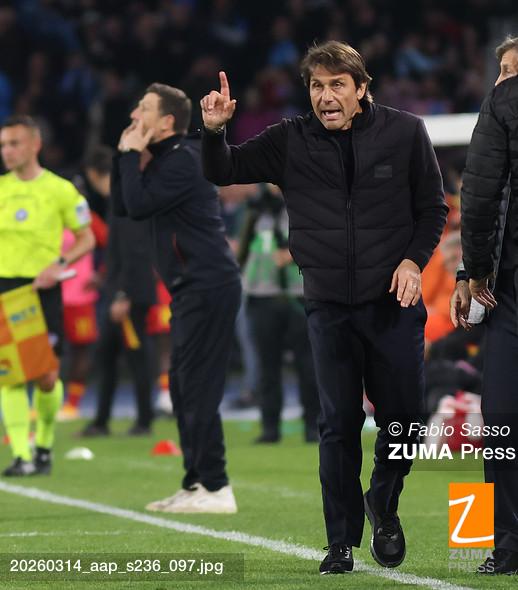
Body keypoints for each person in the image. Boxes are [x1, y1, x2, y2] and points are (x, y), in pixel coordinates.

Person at [201, 41, 447, 573]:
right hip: (328, 306)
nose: (326, 96)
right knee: (337, 423)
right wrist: (215, 132)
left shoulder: (406, 132)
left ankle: (384, 499)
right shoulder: (288, 139)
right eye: (317, 86)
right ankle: (340, 543)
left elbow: (433, 209)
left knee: (405, 419)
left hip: (393, 303)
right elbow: (224, 170)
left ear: (362, 89)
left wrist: (412, 262)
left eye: (338, 85)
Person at [112, 83, 241, 513]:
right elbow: (122, 205)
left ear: (167, 121)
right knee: (184, 388)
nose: (135, 114)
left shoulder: (184, 159)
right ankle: (196, 483)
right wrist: (123, 153)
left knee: (197, 386)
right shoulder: (165, 158)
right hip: (192, 287)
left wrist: (130, 156)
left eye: (144, 109)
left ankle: (216, 487)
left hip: (208, 284)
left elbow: (137, 205)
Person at [452, 35, 518, 575]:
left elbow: (479, 197)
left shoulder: (500, 104)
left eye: (511, 69)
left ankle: (504, 543)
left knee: (501, 420)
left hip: (510, 288)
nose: (503, 79)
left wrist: (471, 273)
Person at [0, 115, 94, 476]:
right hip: (6, 291)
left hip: (43, 291)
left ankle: (43, 445)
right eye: (3, 145)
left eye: (14, 143)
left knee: (47, 377)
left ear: (35, 145)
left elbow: (86, 238)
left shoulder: (61, 190)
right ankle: (21, 456)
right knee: (10, 374)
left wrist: (59, 264)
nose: (7, 151)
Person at [80, 146, 156, 437]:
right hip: (121, 290)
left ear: (93, 174)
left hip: (128, 295)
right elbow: (121, 250)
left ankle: (143, 421)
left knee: (136, 356)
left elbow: (136, 250)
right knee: (107, 355)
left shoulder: (124, 199)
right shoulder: (120, 198)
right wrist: (102, 277)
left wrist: (123, 294)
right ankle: (102, 421)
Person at [238, 183, 319, 443]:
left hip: (299, 295)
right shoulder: (255, 209)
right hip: (262, 296)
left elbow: (324, 243)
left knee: (308, 365)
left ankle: (312, 425)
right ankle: (270, 427)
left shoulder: (307, 204)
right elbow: (243, 250)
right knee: (267, 366)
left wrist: (294, 253)